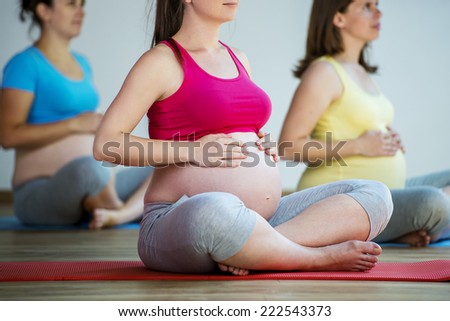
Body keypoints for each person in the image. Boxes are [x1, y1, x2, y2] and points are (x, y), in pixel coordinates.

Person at [93, 0, 393, 276]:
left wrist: (260, 143)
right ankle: (316, 258)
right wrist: (192, 150)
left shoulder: (239, 59)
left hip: (260, 219)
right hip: (183, 219)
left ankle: (254, 249)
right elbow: (105, 145)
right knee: (217, 209)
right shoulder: (161, 61)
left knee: (375, 195)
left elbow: (233, 124)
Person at [279, 0, 450, 247]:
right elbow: (288, 147)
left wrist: (387, 139)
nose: (379, 12)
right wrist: (359, 146)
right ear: (339, 18)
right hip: (350, 199)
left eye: (377, 4)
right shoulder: (324, 72)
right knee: (432, 203)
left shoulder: (360, 72)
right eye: (366, 6)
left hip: (389, 191)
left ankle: (391, 231)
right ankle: (374, 229)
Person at [0, 0, 153, 229]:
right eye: (71, 4)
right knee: (90, 169)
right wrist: (75, 125)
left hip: (100, 178)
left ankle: (117, 211)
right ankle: (123, 210)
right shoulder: (24, 65)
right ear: (44, 11)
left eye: (82, 5)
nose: (81, 12)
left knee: (165, 166)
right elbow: (7, 136)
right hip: (40, 188)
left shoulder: (83, 64)